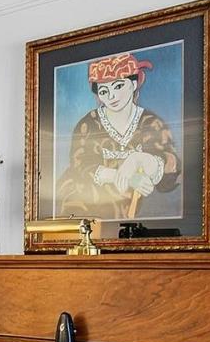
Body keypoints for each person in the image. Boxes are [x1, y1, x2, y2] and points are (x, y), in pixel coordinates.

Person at [55, 51, 180, 219]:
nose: (111, 96)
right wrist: (123, 177)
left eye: (118, 86)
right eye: (104, 91)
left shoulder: (151, 123)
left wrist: (140, 160)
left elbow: (171, 165)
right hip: (90, 203)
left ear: (134, 84)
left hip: (138, 208)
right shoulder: (88, 124)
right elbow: (81, 166)